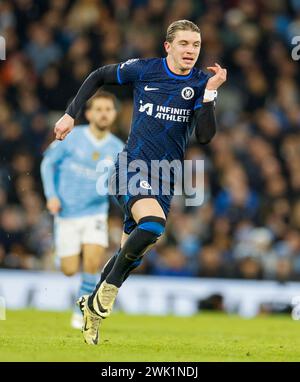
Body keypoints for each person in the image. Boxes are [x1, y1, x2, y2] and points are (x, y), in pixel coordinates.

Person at [54, 19, 227, 344]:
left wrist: (210, 94)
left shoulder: (204, 82)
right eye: (184, 44)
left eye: (196, 45)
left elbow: (205, 137)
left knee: (130, 253)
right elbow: (99, 76)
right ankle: (102, 297)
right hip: (130, 167)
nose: (190, 51)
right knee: (152, 225)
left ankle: (91, 307)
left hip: (164, 178)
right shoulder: (145, 70)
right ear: (168, 46)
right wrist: (70, 113)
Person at [41, 91, 123, 329]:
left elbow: (119, 184)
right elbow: (47, 163)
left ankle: (82, 310)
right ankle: (63, 256)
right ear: (88, 113)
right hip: (66, 213)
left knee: (92, 260)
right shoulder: (71, 136)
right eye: (99, 109)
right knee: (68, 269)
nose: (104, 114)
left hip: (95, 213)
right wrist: (51, 195)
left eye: (108, 109)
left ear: (114, 114)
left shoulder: (119, 148)